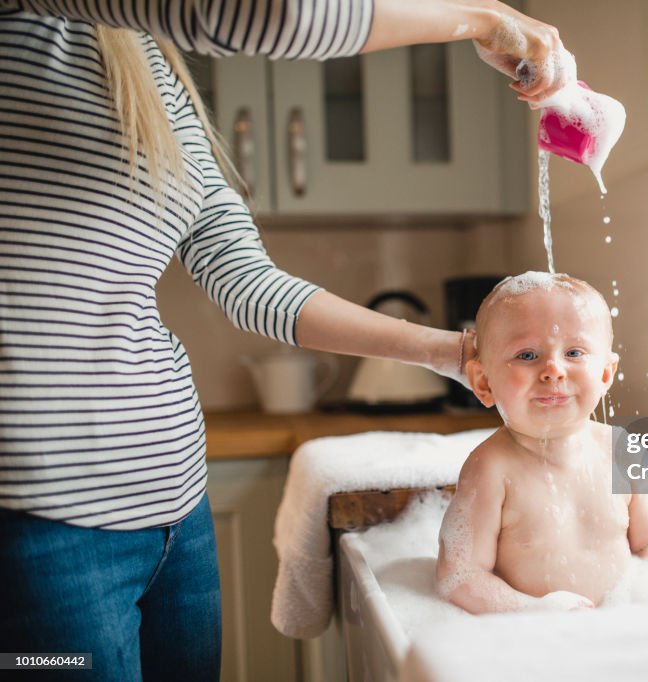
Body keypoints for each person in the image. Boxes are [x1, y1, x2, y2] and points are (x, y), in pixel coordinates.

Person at [0, 1, 571, 678]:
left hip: (176, 510)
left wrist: (450, 352)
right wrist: (484, 18)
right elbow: (277, 15)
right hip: (38, 524)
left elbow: (245, 280)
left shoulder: (145, 63)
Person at [435, 272, 648, 614]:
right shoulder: (491, 468)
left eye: (574, 352)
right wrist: (532, 610)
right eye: (527, 355)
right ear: (483, 381)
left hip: (621, 624)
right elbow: (461, 575)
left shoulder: (620, 450)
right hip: (533, 639)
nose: (554, 370)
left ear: (605, 374)